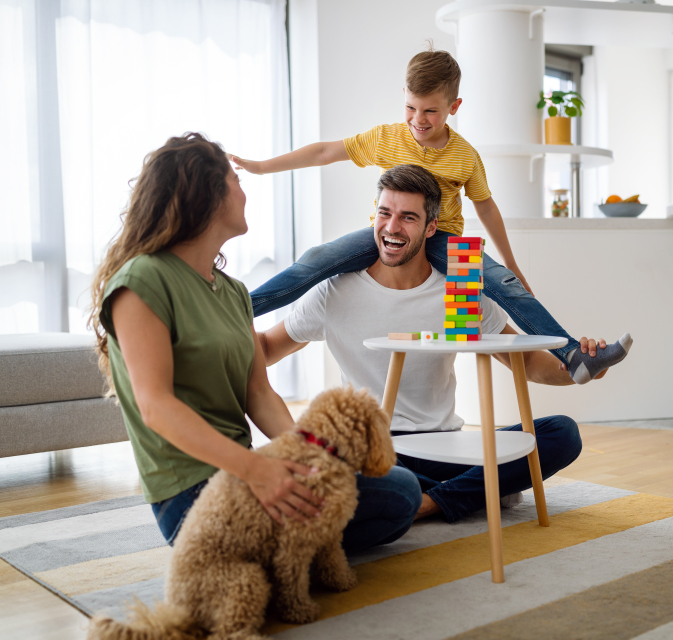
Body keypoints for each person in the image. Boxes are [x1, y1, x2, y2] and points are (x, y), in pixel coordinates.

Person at [87, 133, 421, 551]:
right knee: (397, 495)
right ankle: (265, 555)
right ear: (207, 196)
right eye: (236, 182)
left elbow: (259, 393)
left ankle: (277, 554)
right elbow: (156, 407)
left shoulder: (232, 292)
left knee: (399, 489)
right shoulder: (142, 280)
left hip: (250, 468)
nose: (245, 195)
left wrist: (310, 458)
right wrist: (257, 472)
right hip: (192, 493)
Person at [231, 46, 631, 386]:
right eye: (410, 107)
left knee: (505, 288)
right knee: (317, 260)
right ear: (402, 97)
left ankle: (573, 355)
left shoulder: (465, 155)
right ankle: (235, 306)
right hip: (384, 233)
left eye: (431, 111)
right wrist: (263, 167)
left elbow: (485, 205)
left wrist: (509, 263)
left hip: (444, 238)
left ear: (453, 107)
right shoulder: (387, 138)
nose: (418, 120)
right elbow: (323, 152)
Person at [258, 164, 628, 522]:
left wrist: (583, 371)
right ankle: (472, 490)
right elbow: (267, 349)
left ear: (431, 226)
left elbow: (527, 362)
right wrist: (216, 334)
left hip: (444, 444)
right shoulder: (335, 291)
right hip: (374, 450)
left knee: (561, 433)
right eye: (384, 213)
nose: (391, 227)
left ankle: (429, 501)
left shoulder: (458, 290)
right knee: (334, 468)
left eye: (408, 217)